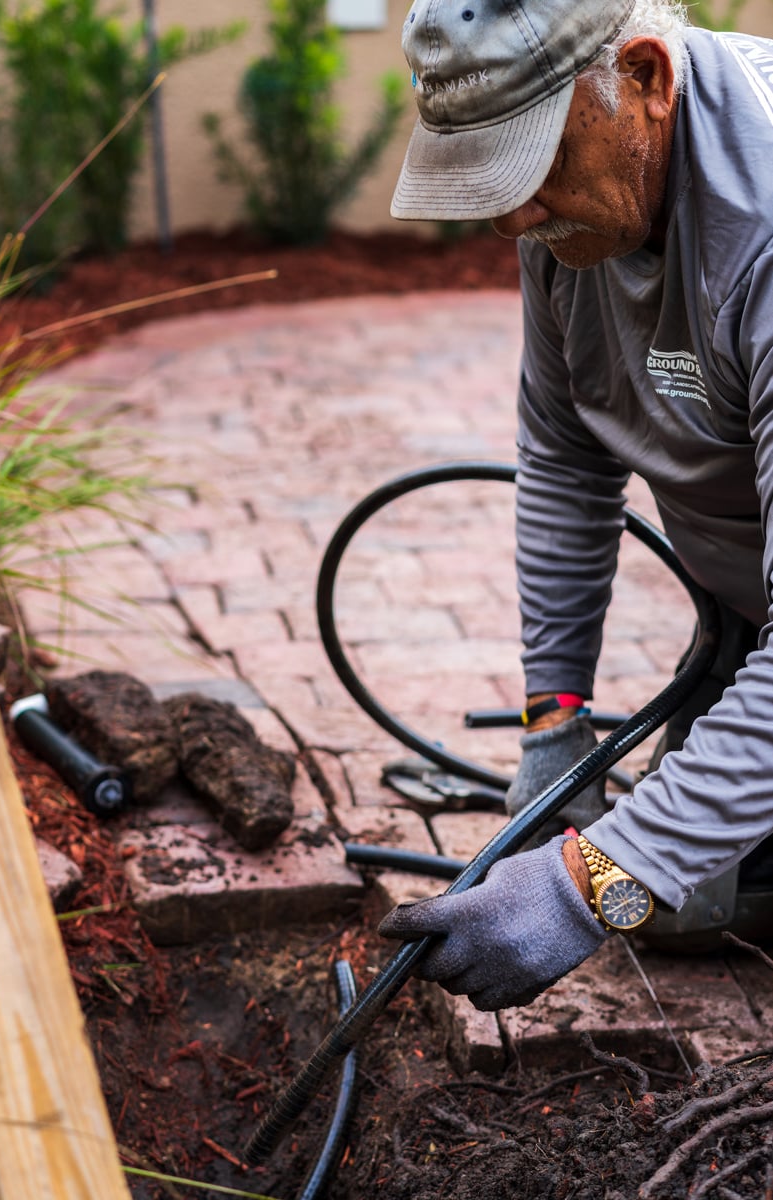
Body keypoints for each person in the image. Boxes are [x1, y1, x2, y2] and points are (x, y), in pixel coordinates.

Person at [378, 0, 773, 1011]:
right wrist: (555, 722)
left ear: (645, 77)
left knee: (658, 884)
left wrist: (586, 885)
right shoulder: (577, 207)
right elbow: (565, 451)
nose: (511, 218)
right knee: (690, 901)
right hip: (752, 617)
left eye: (530, 164)